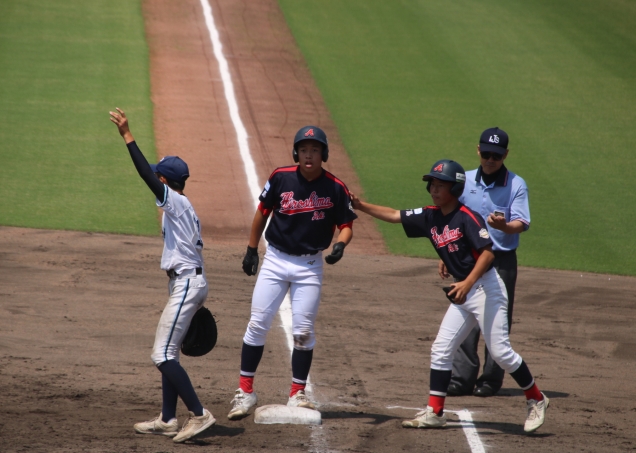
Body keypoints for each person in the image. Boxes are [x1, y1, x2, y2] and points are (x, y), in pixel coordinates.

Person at [350, 159, 548, 432]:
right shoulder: (430, 215)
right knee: (441, 349)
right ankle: (435, 412)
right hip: (463, 292)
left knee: (501, 352)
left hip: (486, 289)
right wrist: (360, 206)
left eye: (440, 185)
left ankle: (537, 398)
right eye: (432, 184)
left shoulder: (468, 217)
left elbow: (488, 254)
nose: (433, 189)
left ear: (454, 188)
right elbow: (395, 215)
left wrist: (467, 283)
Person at [227, 126, 357, 420]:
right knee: (257, 324)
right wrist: (251, 249)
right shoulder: (281, 177)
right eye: (304, 150)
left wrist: (340, 245)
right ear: (296, 153)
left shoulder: (336, 187)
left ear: (324, 154)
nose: (309, 155)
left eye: (315, 150)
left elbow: (346, 225)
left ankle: (297, 393)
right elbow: (262, 212)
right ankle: (245, 392)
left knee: (303, 331)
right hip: (275, 260)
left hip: (309, 267)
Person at [109, 108, 215, 443]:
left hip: (187, 284)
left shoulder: (176, 204)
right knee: (170, 352)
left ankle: (199, 414)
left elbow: (146, 175)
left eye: (160, 178)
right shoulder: (183, 207)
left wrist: (128, 135)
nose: (156, 179)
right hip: (186, 282)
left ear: (165, 182)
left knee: (162, 355)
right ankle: (168, 419)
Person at [444, 127, 531, 398]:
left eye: (497, 155)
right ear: (478, 150)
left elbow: (522, 223)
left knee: (496, 319)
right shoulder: (465, 180)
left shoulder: (516, 184)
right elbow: (451, 217)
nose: (491, 160)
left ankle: (491, 380)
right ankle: (462, 378)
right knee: (464, 312)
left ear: (506, 155)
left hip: (501, 260)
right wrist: (445, 254)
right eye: (487, 154)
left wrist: (505, 226)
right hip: (466, 259)